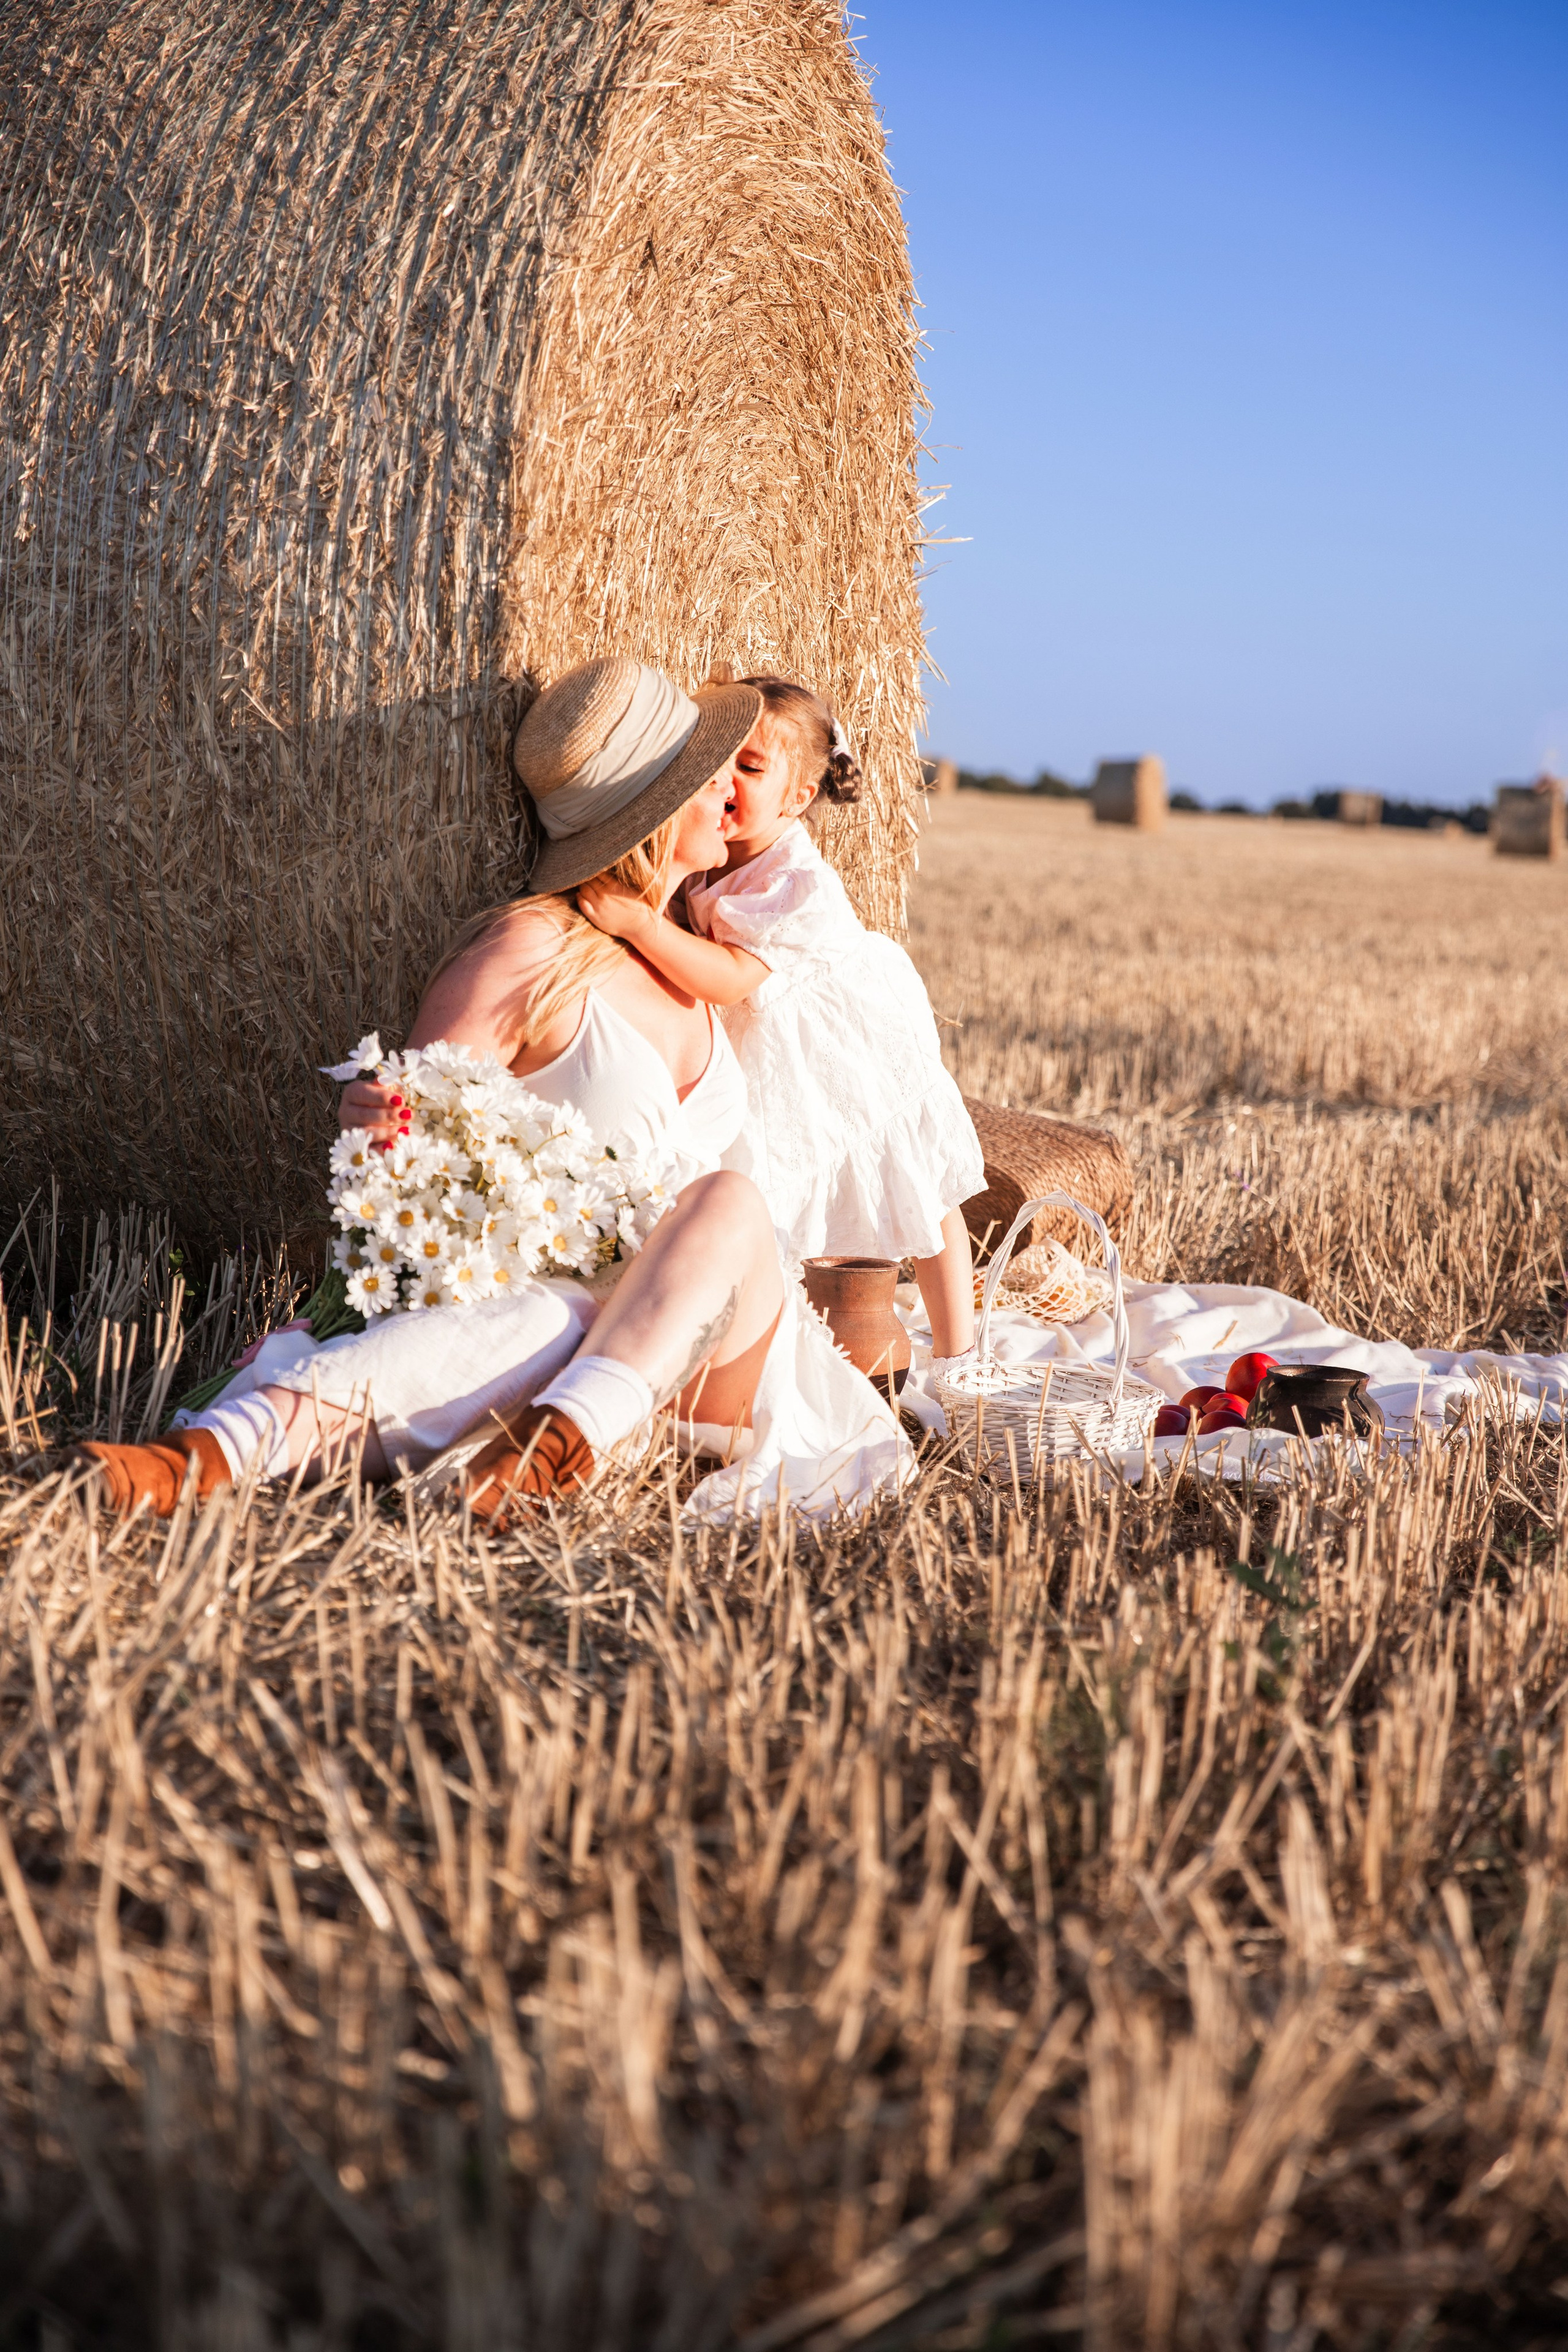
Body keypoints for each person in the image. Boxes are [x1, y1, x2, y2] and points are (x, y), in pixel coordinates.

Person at [80, 660, 909, 1524]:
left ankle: (551, 1437)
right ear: (658, 812)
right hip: (546, 1328)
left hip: (714, 1350)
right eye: (708, 780)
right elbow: (402, 1156)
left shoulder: (702, 957)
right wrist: (371, 1117)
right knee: (538, 1321)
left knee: (728, 1202)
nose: (729, 800)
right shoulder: (531, 952)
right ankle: (199, 1459)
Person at [578, 676, 984, 1376]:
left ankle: (960, 1352)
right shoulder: (711, 851)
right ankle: (788, 1339)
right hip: (767, 1041)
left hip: (842, 1036)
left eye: (752, 767)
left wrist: (640, 924)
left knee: (912, 1174)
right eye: (718, 761)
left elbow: (733, 976)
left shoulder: (793, 877)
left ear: (799, 797)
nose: (726, 780)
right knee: (767, 1181)